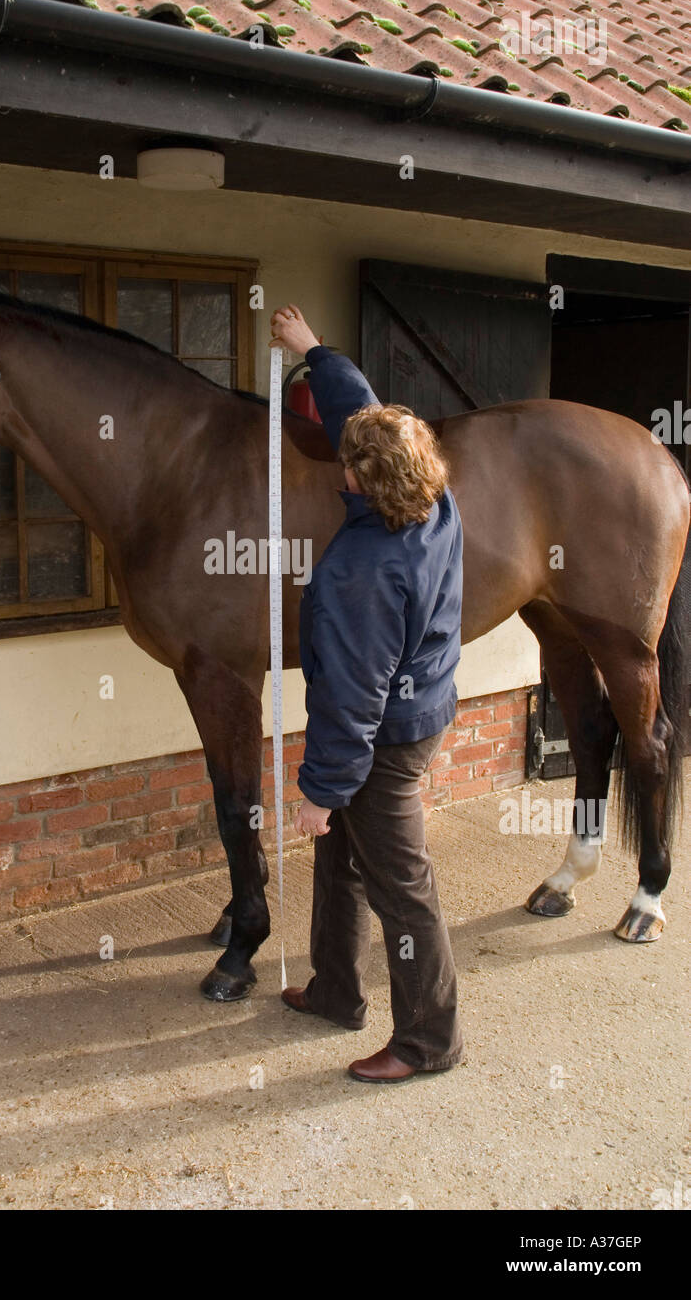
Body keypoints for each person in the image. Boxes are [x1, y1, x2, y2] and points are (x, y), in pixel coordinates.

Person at [269, 304, 464, 1084]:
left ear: (359, 479)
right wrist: (313, 351)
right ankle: (337, 993)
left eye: (347, 461)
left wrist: (320, 790)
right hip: (417, 713)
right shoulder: (432, 501)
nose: (340, 464)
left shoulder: (362, 571)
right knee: (340, 862)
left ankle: (428, 1041)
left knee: (402, 888)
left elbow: (351, 701)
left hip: (381, 738)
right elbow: (365, 415)